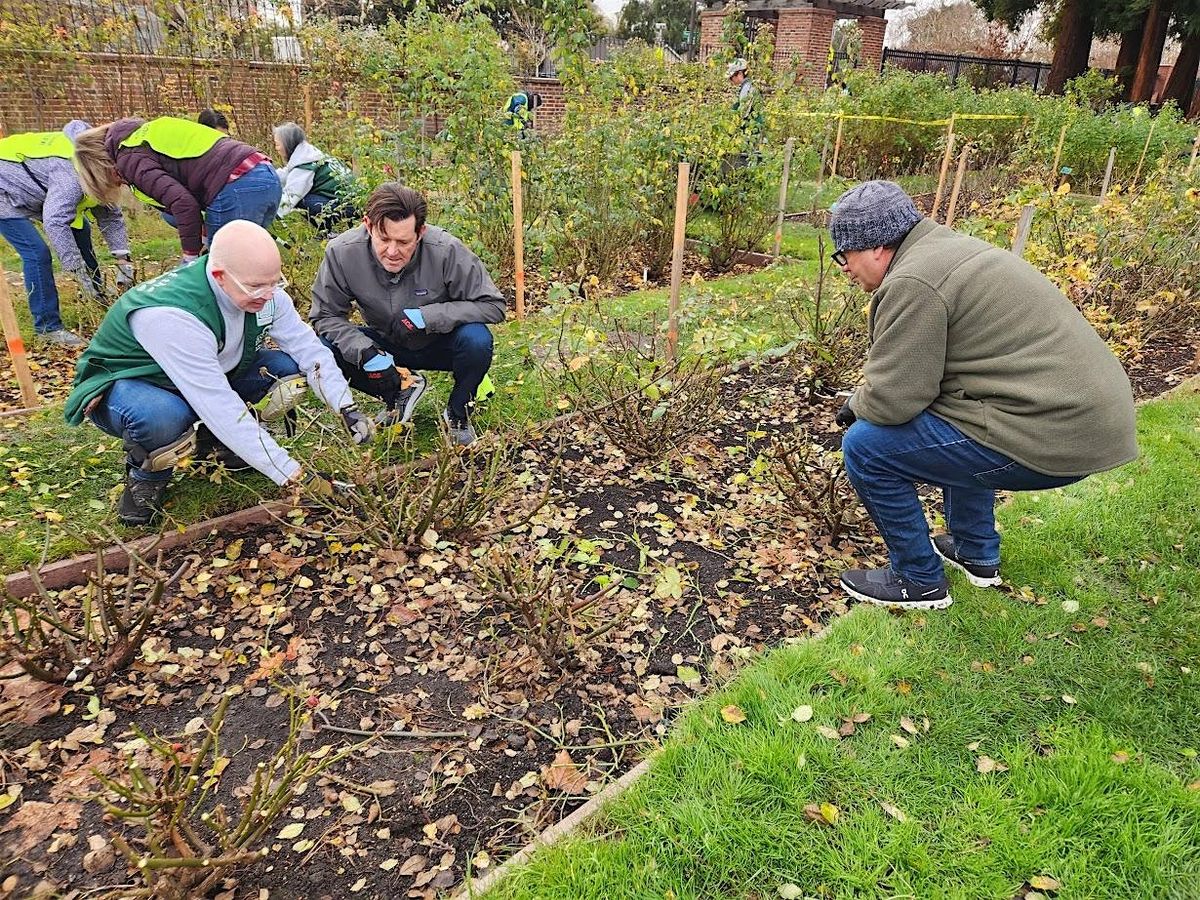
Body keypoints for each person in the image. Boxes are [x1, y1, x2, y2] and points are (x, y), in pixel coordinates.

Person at [828, 180, 1138, 610]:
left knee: (866, 447)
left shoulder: (914, 281)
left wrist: (853, 407)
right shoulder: (950, 251)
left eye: (845, 254)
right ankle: (975, 551)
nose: (842, 266)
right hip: (1087, 421)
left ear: (878, 246)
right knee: (958, 414)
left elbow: (893, 401)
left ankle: (917, 580)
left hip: (1056, 433)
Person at [64, 220, 373, 526]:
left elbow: (309, 349)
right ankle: (145, 476)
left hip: (205, 371)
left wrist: (346, 407)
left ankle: (217, 449)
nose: (268, 294)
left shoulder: (263, 292)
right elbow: (220, 406)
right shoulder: (171, 316)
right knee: (163, 416)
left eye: (274, 282)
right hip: (133, 386)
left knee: (283, 373)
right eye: (256, 286)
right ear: (219, 276)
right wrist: (295, 476)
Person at [310, 183, 506, 446]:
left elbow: (493, 305)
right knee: (323, 348)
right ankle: (399, 391)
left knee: (477, 340)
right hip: (385, 345)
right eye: (383, 239)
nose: (392, 252)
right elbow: (325, 316)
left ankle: (458, 413)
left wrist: (426, 317)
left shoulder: (446, 250)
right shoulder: (342, 253)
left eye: (403, 242)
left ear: (421, 232)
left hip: (440, 343)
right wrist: (364, 350)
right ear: (368, 225)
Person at [71, 116, 281, 266]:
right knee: (251, 260)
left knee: (221, 270)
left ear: (101, 165)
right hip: (265, 174)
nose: (118, 184)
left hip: (236, 186)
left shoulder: (130, 157)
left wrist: (190, 258)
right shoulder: (143, 134)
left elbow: (184, 204)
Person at [0, 121, 133, 346]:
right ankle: (48, 329)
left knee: (81, 232)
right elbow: (55, 221)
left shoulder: (96, 159)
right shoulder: (71, 175)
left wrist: (124, 263)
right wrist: (78, 272)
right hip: (4, 191)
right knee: (37, 252)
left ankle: (97, 294)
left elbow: (110, 215)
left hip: (32, 185)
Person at [272, 122, 358, 228]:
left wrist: (270, 213)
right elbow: (288, 174)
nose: (276, 148)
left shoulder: (305, 163)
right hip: (355, 203)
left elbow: (292, 196)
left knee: (302, 199)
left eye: (277, 144)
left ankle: (328, 230)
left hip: (348, 208)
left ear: (287, 144)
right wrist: (267, 176)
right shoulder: (309, 154)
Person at [726, 58, 762, 139]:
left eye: (731, 77)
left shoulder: (747, 88)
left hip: (752, 130)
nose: (730, 80)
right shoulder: (747, 86)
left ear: (739, 73)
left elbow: (743, 113)